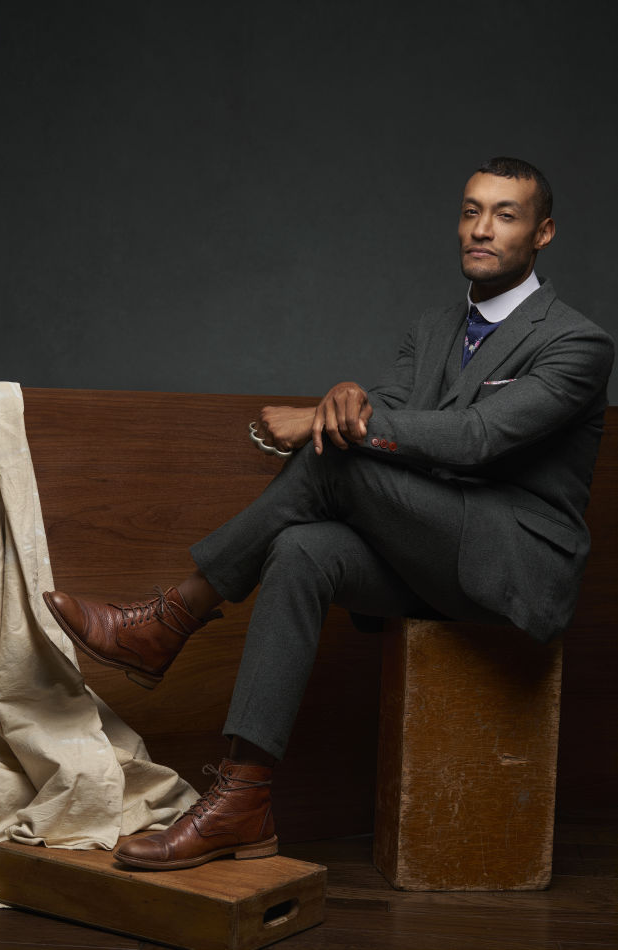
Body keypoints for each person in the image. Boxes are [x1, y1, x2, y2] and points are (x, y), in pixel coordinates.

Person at [44, 157, 614, 871]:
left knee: (332, 462)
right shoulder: (432, 327)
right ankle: (244, 798)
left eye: (505, 214)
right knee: (302, 551)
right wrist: (345, 398)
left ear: (542, 232)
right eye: (471, 210)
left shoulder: (577, 342)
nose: (481, 228)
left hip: (512, 567)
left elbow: (477, 438)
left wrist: (330, 420)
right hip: (428, 555)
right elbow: (388, 412)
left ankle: (171, 618)